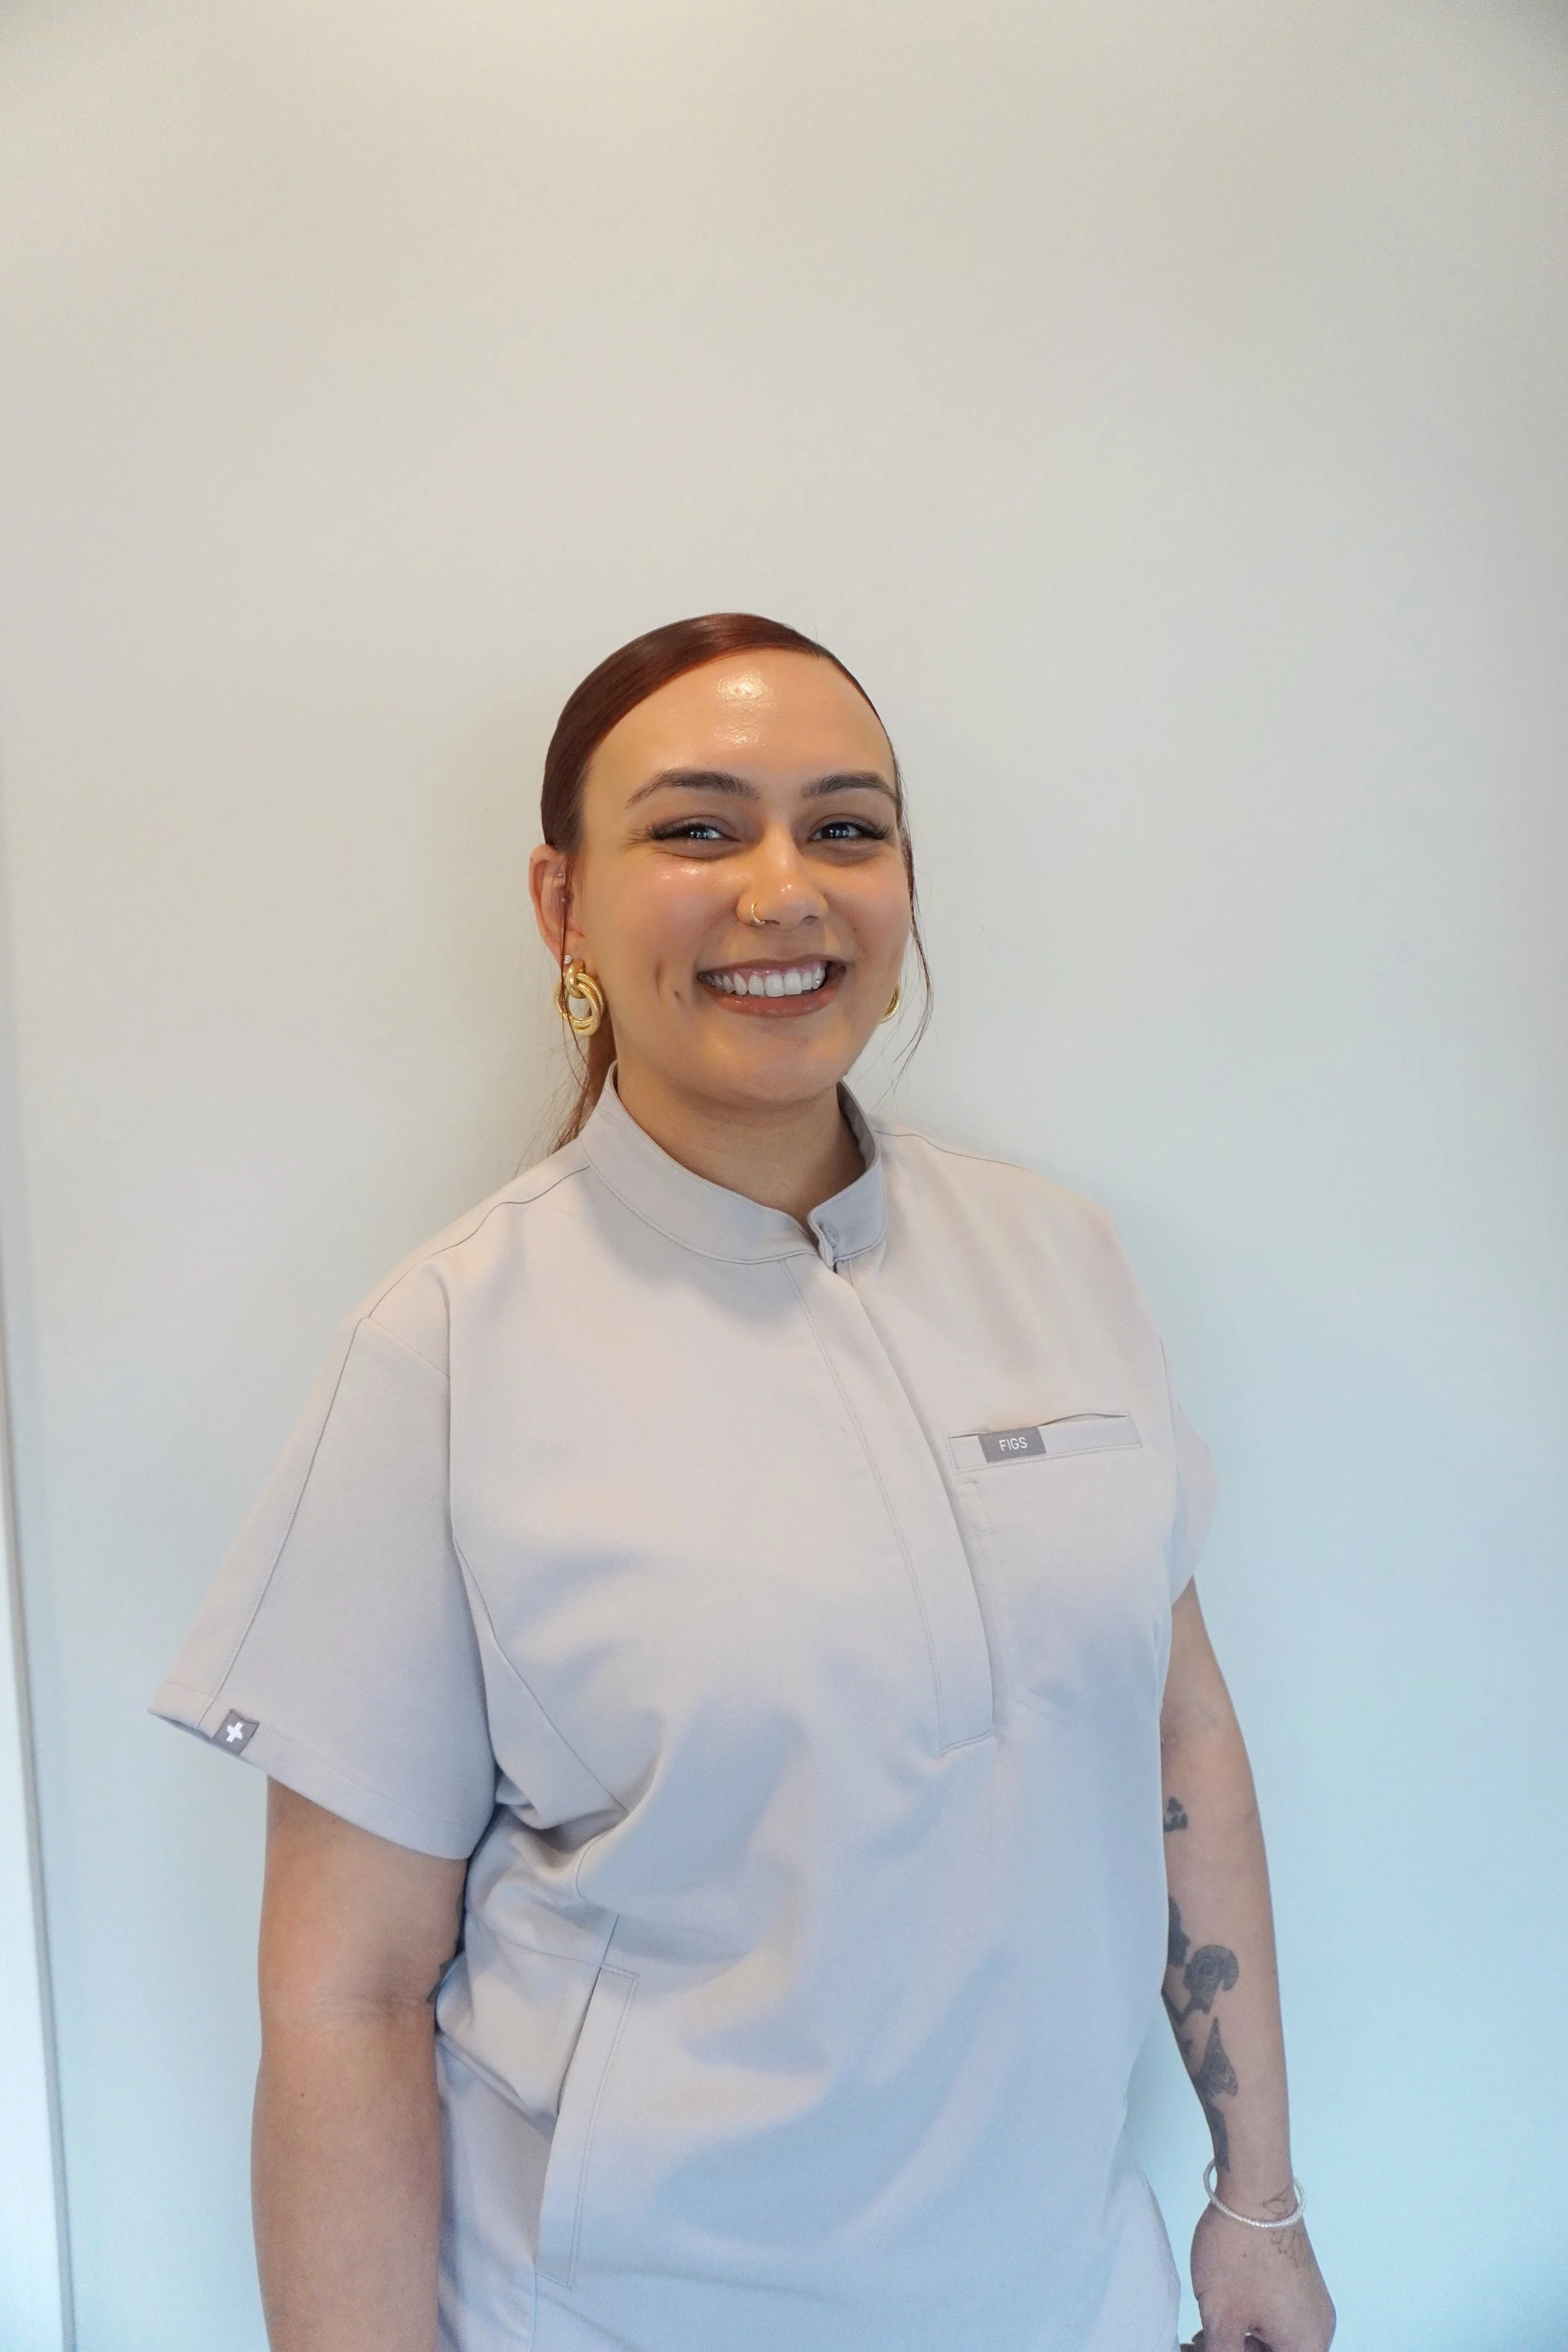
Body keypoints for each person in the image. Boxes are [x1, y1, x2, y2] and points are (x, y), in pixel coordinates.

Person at [153, 613, 1335, 2352]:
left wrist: (1259, 2201)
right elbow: (347, 1990)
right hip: (618, 2314)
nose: (784, 890)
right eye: (696, 829)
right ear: (563, 907)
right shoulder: (449, 1347)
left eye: (845, 827)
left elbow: (1179, 1746)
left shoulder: (1061, 1261)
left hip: (1061, 2292)